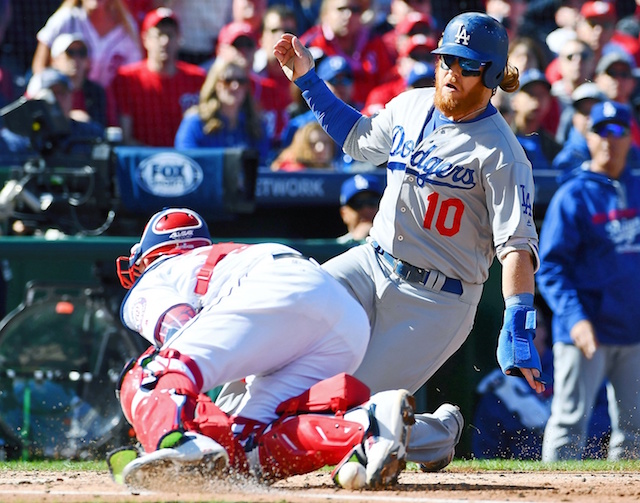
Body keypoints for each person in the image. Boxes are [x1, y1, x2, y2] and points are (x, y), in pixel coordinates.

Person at [272, 12, 545, 470]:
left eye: (468, 65)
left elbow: (516, 244)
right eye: (447, 60)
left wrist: (518, 321)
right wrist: (308, 80)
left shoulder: (502, 153)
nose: (452, 73)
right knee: (288, 315)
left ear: (493, 75)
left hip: (435, 301)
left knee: (341, 412)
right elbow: (361, 141)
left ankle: (434, 436)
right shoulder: (410, 104)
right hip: (371, 262)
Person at [108, 207, 415, 489]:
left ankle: (175, 446)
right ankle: (366, 424)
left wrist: (168, 423)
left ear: (146, 257)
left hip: (271, 292)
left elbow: (179, 330)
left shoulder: (155, 276)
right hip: (343, 315)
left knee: (150, 372)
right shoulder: (221, 258)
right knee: (242, 453)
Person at [537, 101, 640, 461]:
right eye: (601, 131)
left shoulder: (638, 187)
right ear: (588, 136)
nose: (610, 140)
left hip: (633, 332)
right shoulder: (573, 195)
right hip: (585, 330)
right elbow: (550, 268)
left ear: (630, 137)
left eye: (618, 131)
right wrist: (575, 318)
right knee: (569, 424)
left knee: (635, 432)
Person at [110, 7, 206, 146]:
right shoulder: (128, 78)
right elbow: (125, 136)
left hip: (187, 159)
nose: (164, 41)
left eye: (170, 35)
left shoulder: (197, 78)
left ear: (179, 39)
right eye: (158, 35)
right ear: (145, 39)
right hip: (143, 160)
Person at [299, 0, 394, 109]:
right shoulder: (309, 44)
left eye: (355, 10)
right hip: (323, 114)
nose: (348, 15)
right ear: (325, 13)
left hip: (371, 113)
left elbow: (388, 81)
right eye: (341, 9)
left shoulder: (374, 42)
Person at [174, 59, 271, 163]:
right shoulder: (195, 123)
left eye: (241, 81)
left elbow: (262, 168)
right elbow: (186, 162)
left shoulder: (256, 126)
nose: (235, 86)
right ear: (215, 85)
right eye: (227, 80)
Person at [32, 0, 143, 89]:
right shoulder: (67, 18)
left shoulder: (127, 26)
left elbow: (134, 74)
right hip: (70, 99)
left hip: (109, 106)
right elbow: (39, 67)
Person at [49, 32, 109, 126]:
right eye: (70, 52)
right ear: (54, 60)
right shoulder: (43, 86)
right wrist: (70, 118)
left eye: (82, 53)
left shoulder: (97, 92)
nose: (76, 58)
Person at [510, 69, 562, 171]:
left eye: (542, 94)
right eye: (531, 94)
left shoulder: (554, 148)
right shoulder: (501, 138)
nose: (537, 100)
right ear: (514, 100)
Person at [337, 173, 383, 245]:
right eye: (357, 203)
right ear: (344, 214)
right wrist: (356, 241)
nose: (366, 209)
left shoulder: (395, 242)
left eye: (372, 202)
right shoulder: (336, 247)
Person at [270, 121, 335, 171]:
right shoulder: (288, 170)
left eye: (326, 142)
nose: (320, 148)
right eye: (312, 143)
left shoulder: (333, 170)